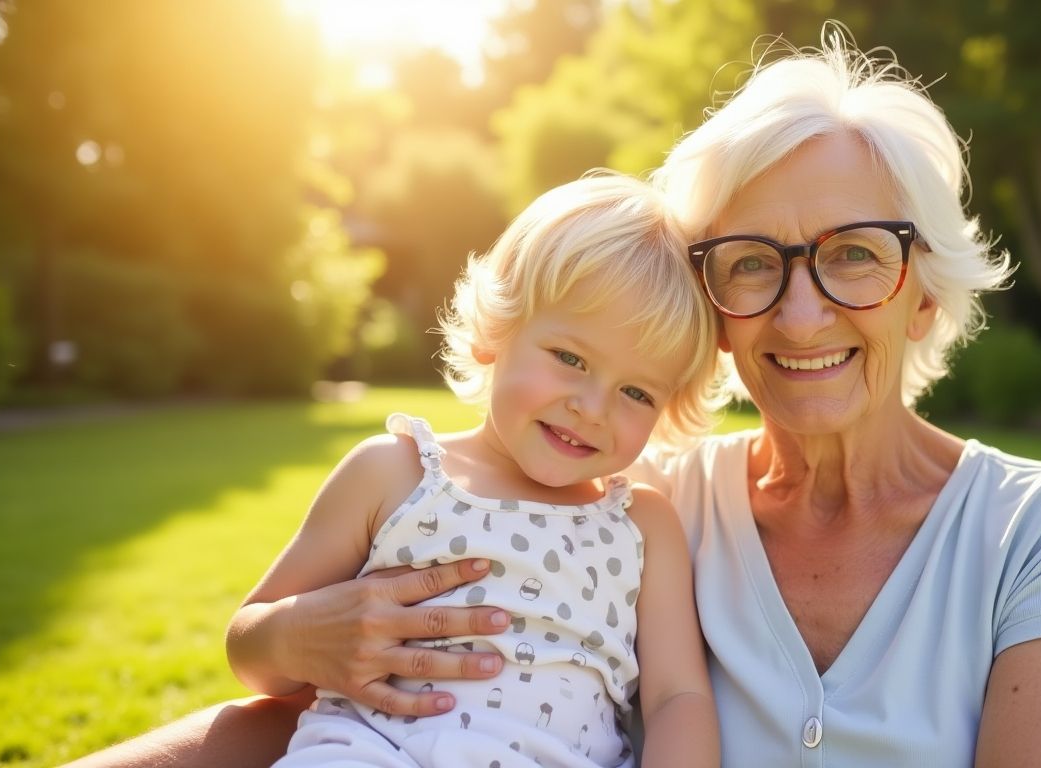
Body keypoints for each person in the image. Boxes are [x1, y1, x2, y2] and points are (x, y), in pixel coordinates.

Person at [66, 24, 1041, 768]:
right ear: (708, 306)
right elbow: (317, 690)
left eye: (857, 254)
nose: (802, 312)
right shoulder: (636, 497)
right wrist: (300, 641)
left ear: (926, 291)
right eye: (753, 262)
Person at [225, 173, 722, 768]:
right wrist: (294, 636)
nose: (591, 408)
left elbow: (678, 697)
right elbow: (249, 647)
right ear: (497, 330)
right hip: (368, 753)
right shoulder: (394, 474)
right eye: (570, 358)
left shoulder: (643, 524)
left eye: (637, 392)